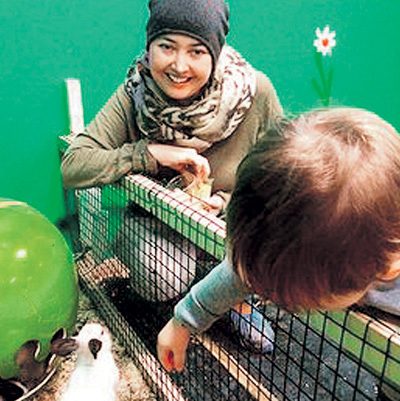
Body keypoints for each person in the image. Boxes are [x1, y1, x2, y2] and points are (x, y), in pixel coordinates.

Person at [61, 0, 283, 351]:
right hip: (160, 231)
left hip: (231, 232)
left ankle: (233, 297)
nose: (179, 66)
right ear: (150, 47)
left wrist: (224, 202)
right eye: (167, 47)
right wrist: (149, 154)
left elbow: (280, 178)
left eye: (196, 51)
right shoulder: (136, 92)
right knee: (161, 277)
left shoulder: (255, 92)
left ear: (215, 53)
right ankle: (188, 292)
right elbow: (74, 164)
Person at [157, 107, 400, 378]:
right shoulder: (324, 249)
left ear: (388, 267)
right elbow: (243, 273)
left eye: (305, 302)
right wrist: (182, 323)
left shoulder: (361, 252)